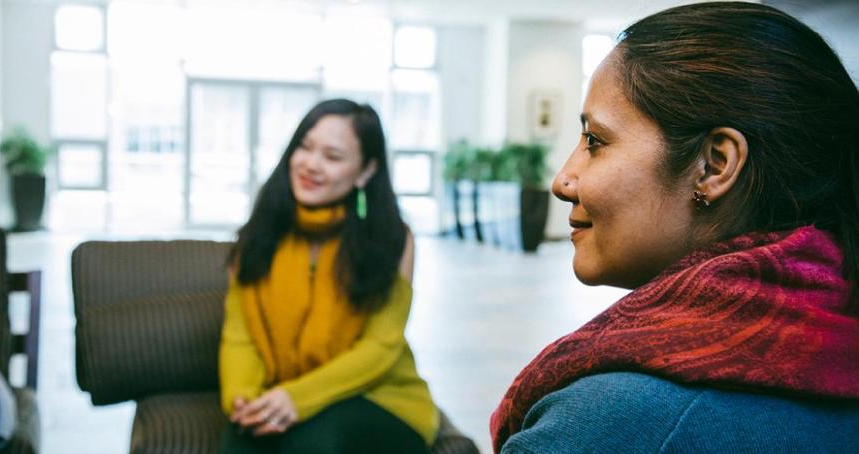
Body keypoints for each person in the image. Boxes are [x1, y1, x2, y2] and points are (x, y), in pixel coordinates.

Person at [491, 2, 859, 452]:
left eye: (595, 141)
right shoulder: (837, 345)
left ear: (713, 166)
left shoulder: (606, 421)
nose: (563, 180)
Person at [219, 99, 438, 453]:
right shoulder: (259, 235)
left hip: (380, 397)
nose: (311, 165)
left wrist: (296, 398)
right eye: (304, 147)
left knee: (316, 443)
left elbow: (381, 346)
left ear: (365, 171)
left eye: (332, 157)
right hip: (283, 394)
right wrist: (242, 398)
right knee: (241, 439)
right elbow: (240, 334)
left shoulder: (393, 238)